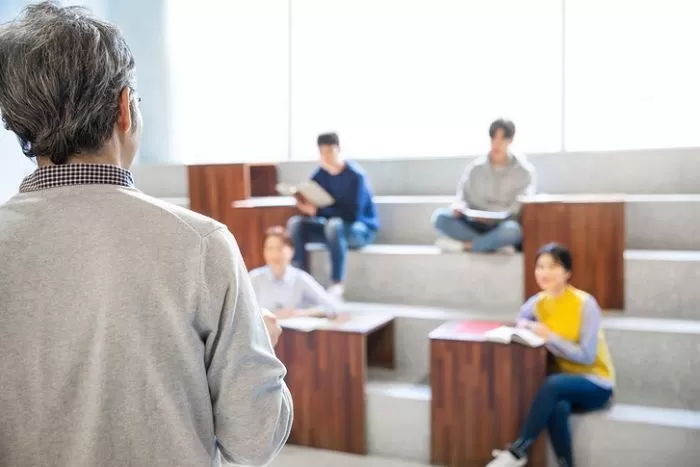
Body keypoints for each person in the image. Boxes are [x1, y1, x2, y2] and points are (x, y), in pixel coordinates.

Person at [0, 3, 292, 467]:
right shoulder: (201, 245)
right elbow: (253, 441)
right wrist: (261, 349)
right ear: (124, 107)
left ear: (19, 123)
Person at [487, 243, 615, 467]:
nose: (544, 273)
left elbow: (587, 356)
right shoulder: (537, 303)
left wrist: (550, 337)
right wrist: (527, 326)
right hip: (562, 386)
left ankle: (518, 451)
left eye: (553, 267)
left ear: (567, 273)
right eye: (540, 266)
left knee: (553, 384)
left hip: (595, 382)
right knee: (558, 406)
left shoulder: (586, 304)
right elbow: (520, 321)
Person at [287, 132, 379, 299]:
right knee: (296, 224)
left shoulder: (356, 176)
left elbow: (353, 214)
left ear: (338, 149)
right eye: (322, 153)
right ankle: (299, 277)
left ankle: (337, 282)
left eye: (330, 151)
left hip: (359, 231)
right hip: (331, 229)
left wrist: (319, 212)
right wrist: (305, 205)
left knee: (334, 225)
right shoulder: (319, 175)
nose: (326, 157)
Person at [431, 119, 536, 253]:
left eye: (502, 139)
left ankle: (466, 246)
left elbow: (518, 207)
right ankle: (492, 244)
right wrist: (458, 207)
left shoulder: (524, 172)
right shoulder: (475, 169)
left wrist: (493, 217)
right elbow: (462, 198)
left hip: (501, 225)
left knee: (512, 231)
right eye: (493, 138)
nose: (496, 144)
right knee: (440, 218)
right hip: (474, 222)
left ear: (510, 141)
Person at [250, 226, 342, 319]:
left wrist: (297, 313)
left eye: (280, 248)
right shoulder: (254, 278)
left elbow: (331, 307)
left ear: (291, 250)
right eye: (270, 248)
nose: (275, 254)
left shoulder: (300, 278)